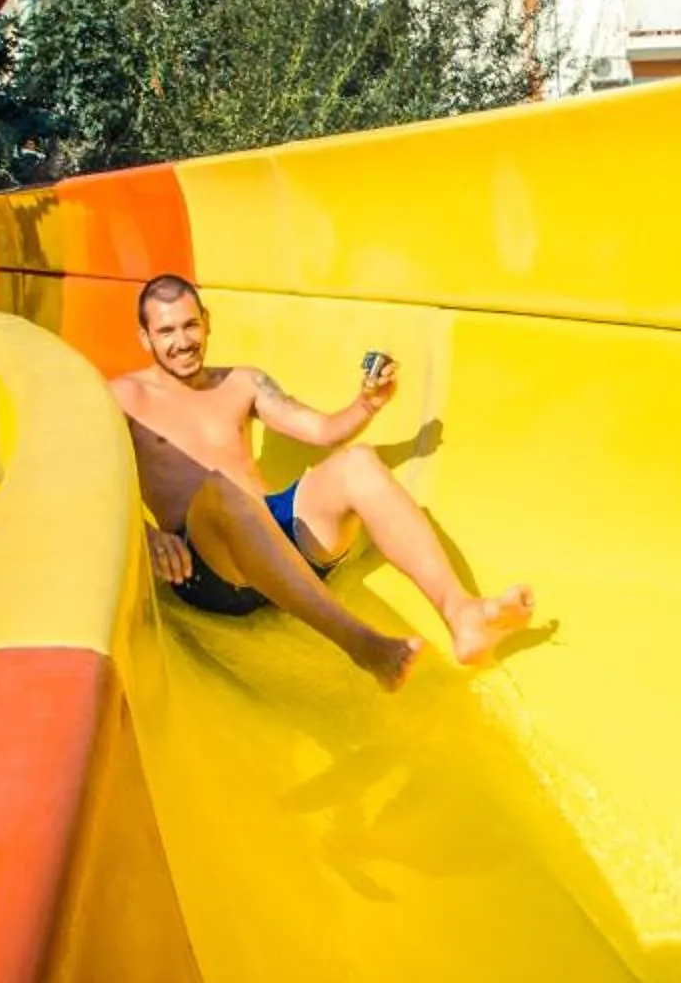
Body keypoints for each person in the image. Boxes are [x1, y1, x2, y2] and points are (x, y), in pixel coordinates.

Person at [109, 272, 535, 691]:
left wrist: (366, 405)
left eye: (189, 325)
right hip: (209, 567)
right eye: (166, 331)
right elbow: (94, 482)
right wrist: (147, 535)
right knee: (222, 491)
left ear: (206, 321)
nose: (182, 341)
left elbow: (322, 431)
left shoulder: (242, 382)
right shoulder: (122, 399)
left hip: (274, 539)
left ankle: (463, 615)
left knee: (358, 464)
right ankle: (363, 645)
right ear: (145, 338)